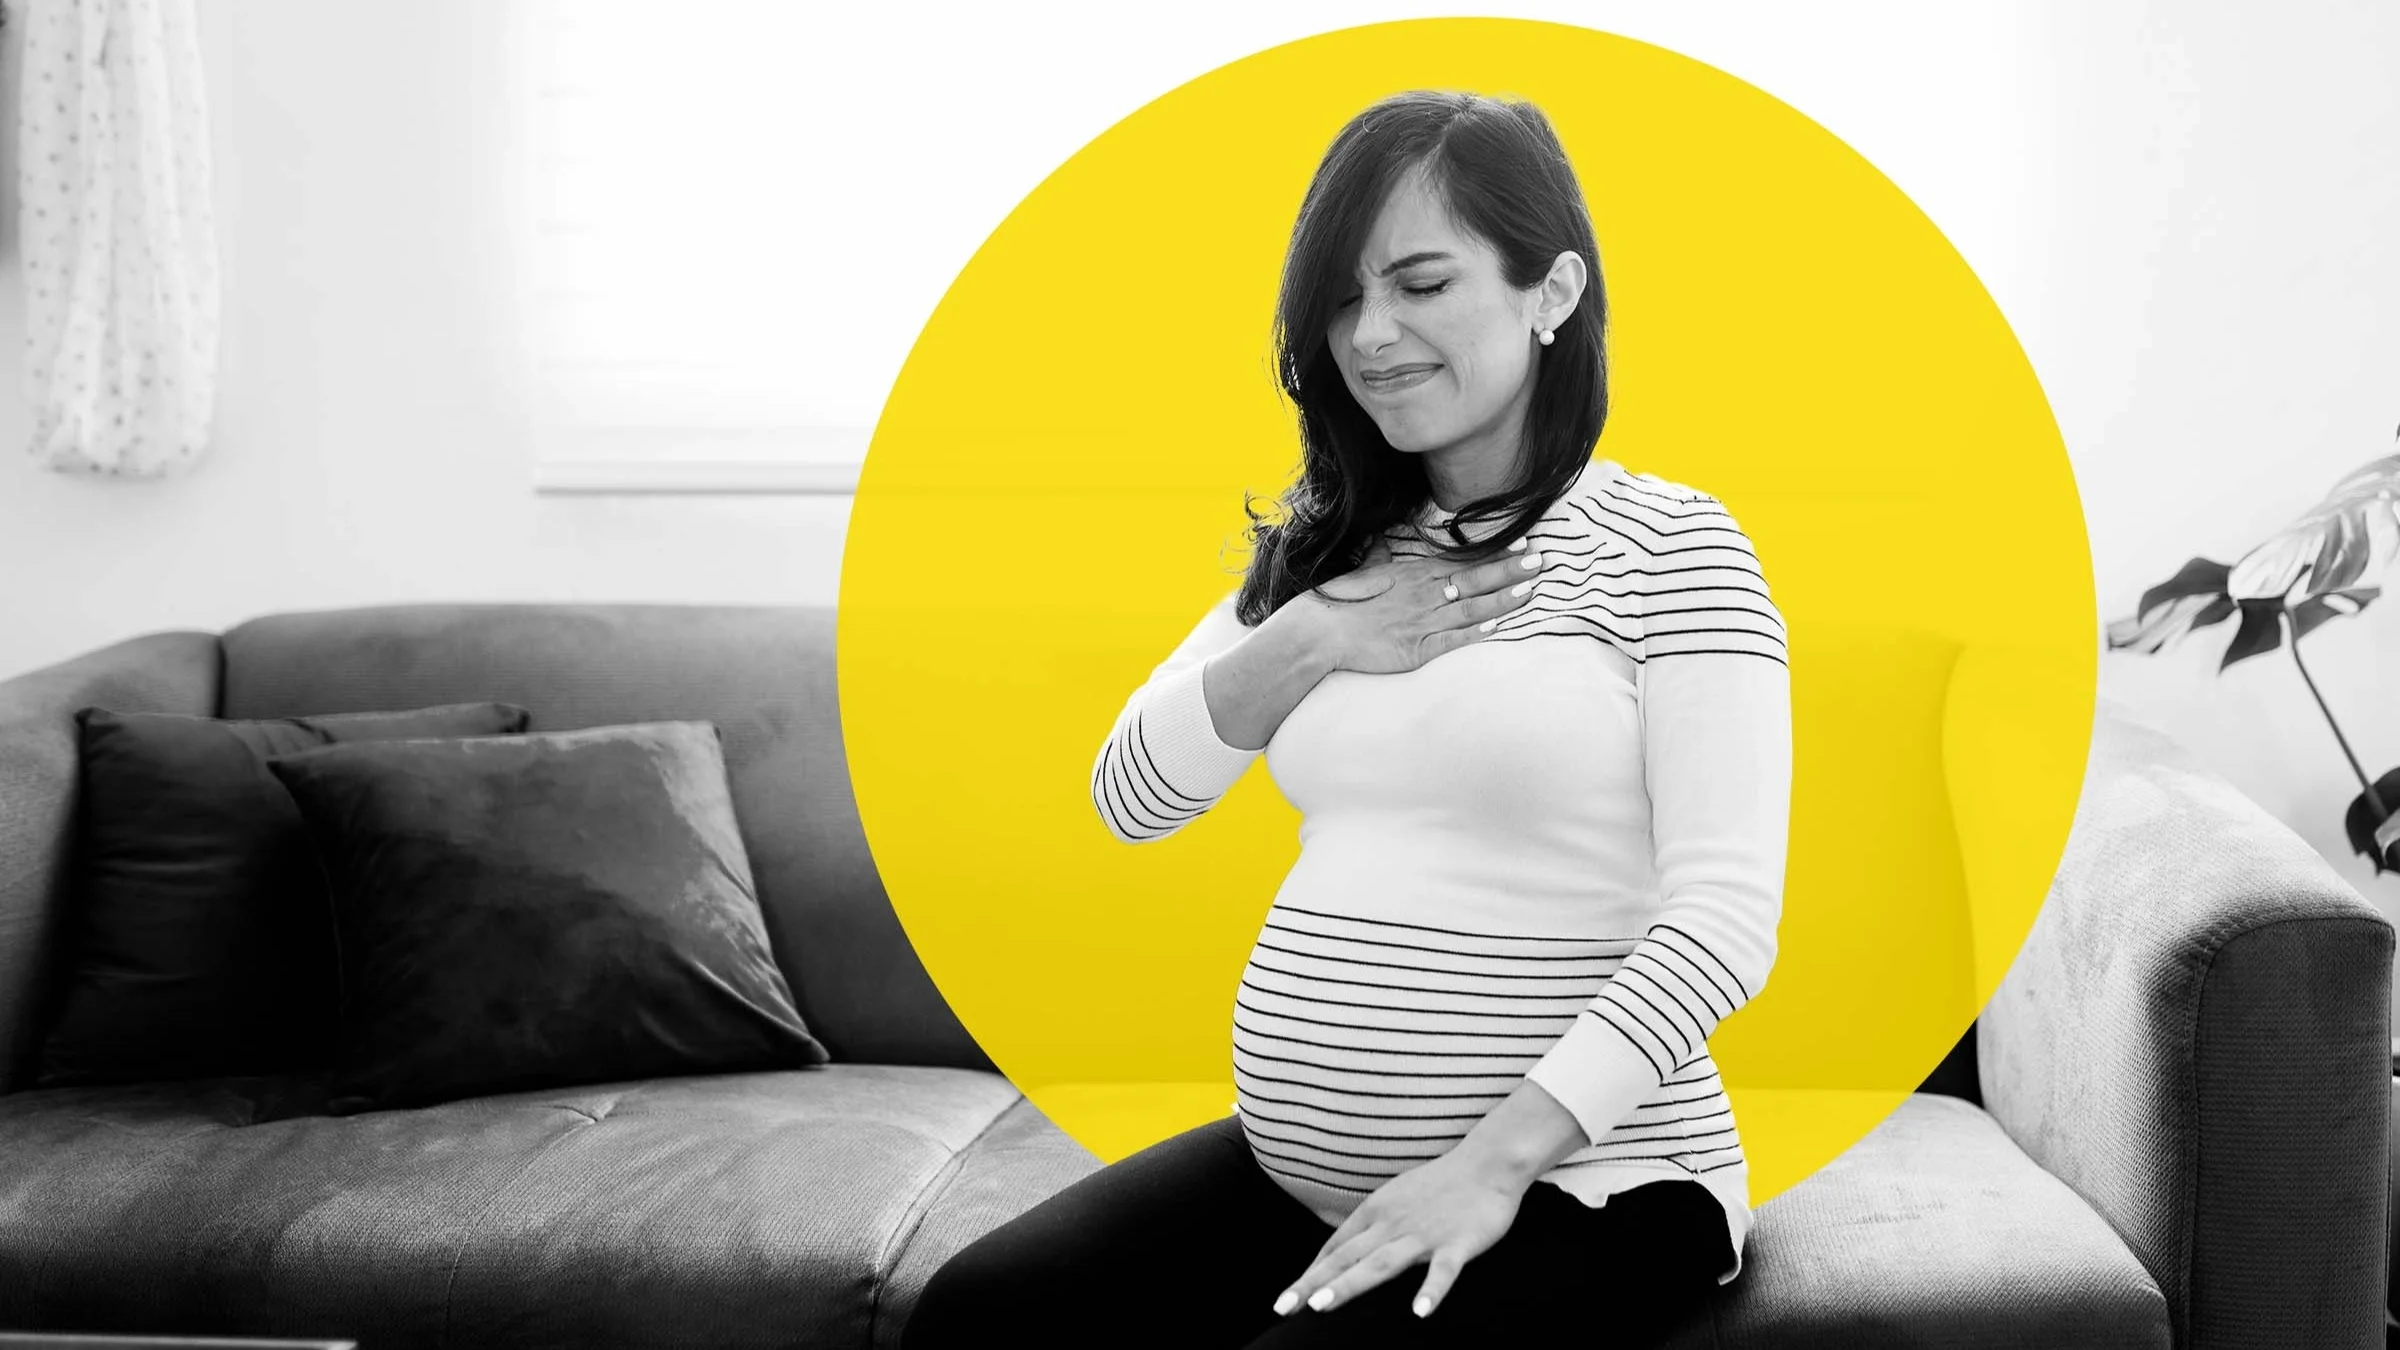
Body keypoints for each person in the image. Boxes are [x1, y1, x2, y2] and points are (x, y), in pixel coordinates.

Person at [903, 88, 1792, 1350]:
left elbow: (1723, 924)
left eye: (1422, 284)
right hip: (1306, 1182)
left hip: (1588, 1182)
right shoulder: (1332, 555)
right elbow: (1131, 796)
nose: (1371, 335)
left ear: (1551, 293)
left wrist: (1485, 1166)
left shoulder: (1672, 548)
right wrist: (1318, 629)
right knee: (975, 1322)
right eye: (1342, 299)